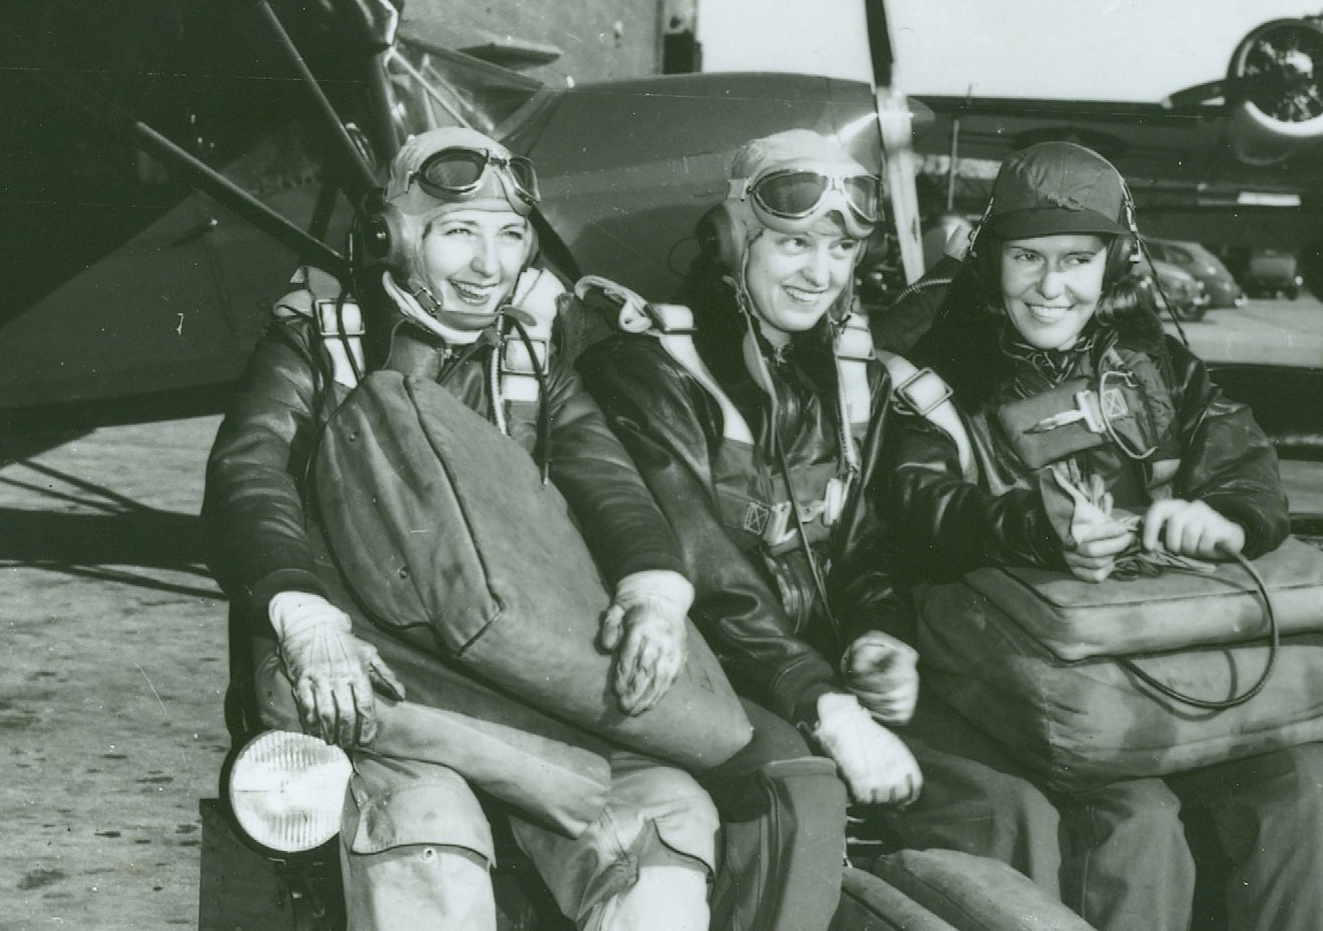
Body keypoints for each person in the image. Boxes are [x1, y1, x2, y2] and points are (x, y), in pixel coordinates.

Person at [203, 126, 717, 931]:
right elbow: (249, 473)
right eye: (459, 233)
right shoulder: (319, 339)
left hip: (515, 688)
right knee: (427, 827)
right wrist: (303, 616)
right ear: (394, 239)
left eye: (511, 235)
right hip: (368, 676)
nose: (491, 265)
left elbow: (607, 478)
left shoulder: (529, 358)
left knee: (666, 818)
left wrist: (654, 590)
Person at [577, 129, 1067, 927]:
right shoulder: (650, 368)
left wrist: (880, 635)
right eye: (794, 244)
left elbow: (862, 540)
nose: (820, 272)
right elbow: (707, 571)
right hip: (714, 676)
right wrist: (828, 708)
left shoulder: (840, 380)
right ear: (734, 238)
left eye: (839, 249)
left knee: (1009, 807)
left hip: (819, 679)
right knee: (800, 797)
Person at [865, 142, 1323, 931]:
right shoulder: (936, 374)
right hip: (1030, 685)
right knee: (1137, 821)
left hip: (1168, 674)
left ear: (1113, 263)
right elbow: (923, 502)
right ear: (992, 260)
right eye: (1028, 257)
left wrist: (1226, 513)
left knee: (1312, 787)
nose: (1052, 286)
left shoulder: (1154, 365)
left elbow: (1241, 454)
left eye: (1077, 259)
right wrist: (1041, 528)